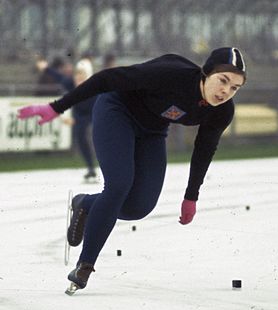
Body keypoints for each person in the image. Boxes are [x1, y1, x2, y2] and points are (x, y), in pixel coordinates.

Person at [17, 47, 246, 292]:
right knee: (119, 185)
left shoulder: (222, 110)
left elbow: (204, 149)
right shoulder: (170, 74)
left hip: (153, 131)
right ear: (206, 72)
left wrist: (191, 196)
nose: (225, 91)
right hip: (117, 111)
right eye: (223, 80)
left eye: (234, 87)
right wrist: (57, 107)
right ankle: (85, 265)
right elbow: (106, 79)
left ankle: (86, 204)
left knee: (138, 207)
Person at [36, 57, 98, 180]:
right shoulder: (71, 83)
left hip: (94, 115)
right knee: (81, 138)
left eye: (82, 75)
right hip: (79, 116)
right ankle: (91, 169)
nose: (78, 78)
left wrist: (76, 120)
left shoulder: (94, 89)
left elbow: (93, 112)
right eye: (77, 74)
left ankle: (97, 167)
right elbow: (59, 77)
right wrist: (46, 68)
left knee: (87, 135)